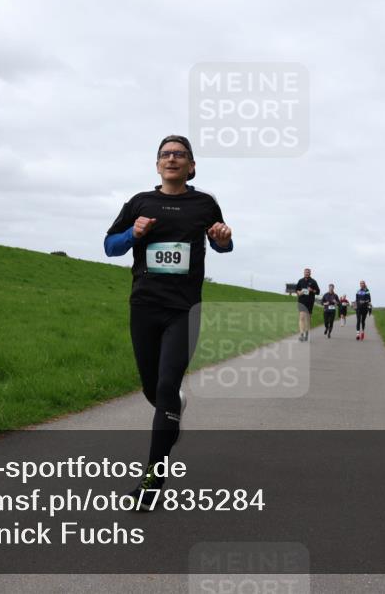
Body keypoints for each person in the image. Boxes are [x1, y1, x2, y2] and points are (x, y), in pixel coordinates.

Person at [104, 134, 233, 510]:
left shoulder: (204, 203)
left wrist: (222, 237)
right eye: (165, 154)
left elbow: (222, 244)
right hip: (144, 306)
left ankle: (152, 481)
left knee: (165, 386)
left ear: (191, 166)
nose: (172, 158)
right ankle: (172, 410)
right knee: (153, 390)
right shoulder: (140, 203)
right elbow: (110, 246)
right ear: (157, 164)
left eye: (180, 154)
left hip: (184, 310)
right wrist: (133, 233)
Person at [294, 268, 319, 342]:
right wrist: (299, 292)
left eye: (308, 272)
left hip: (310, 302)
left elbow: (318, 291)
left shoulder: (313, 281)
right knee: (301, 318)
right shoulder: (300, 281)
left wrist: (312, 290)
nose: (307, 273)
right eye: (305, 272)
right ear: (304, 273)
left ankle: (307, 333)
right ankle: (301, 334)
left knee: (308, 319)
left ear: (310, 273)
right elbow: (296, 290)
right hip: (301, 301)